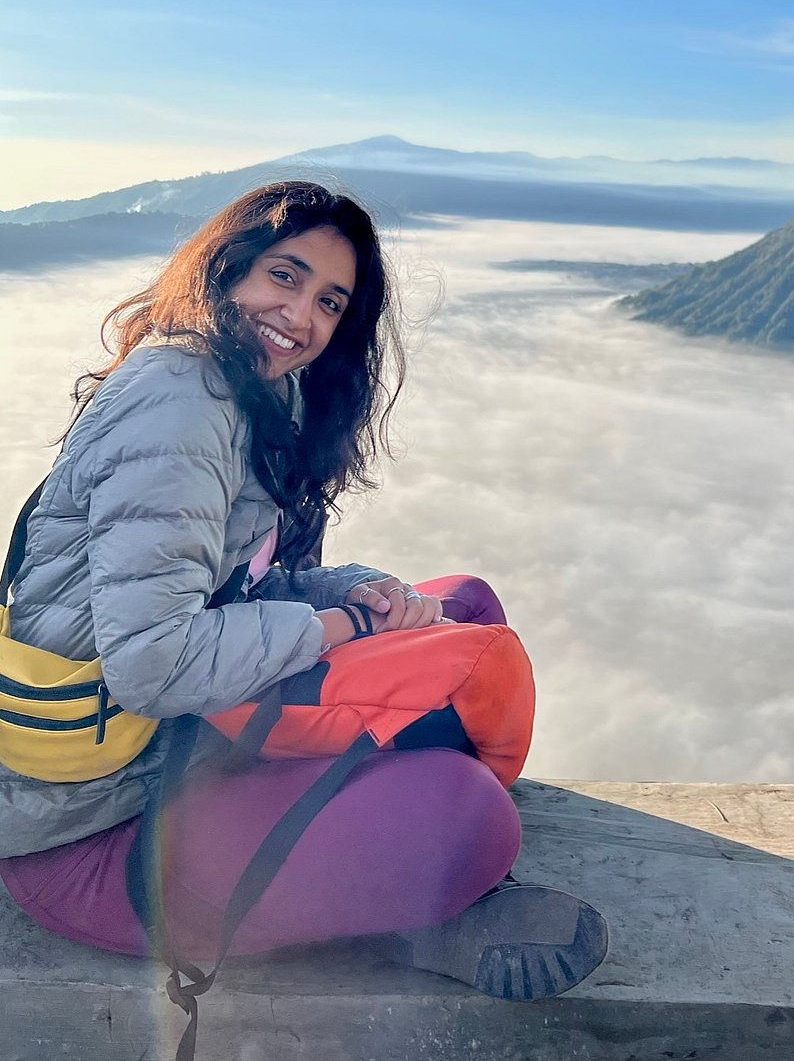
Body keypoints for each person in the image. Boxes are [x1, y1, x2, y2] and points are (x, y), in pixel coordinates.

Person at [0, 181, 606, 1000]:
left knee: (465, 604)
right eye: (284, 276)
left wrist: (365, 592)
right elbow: (153, 663)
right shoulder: (178, 401)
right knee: (467, 813)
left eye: (329, 301)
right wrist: (342, 623)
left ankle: (386, 848)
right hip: (93, 834)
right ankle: (416, 911)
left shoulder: (255, 391)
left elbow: (240, 586)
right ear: (227, 268)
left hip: (182, 752)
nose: (301, 316)